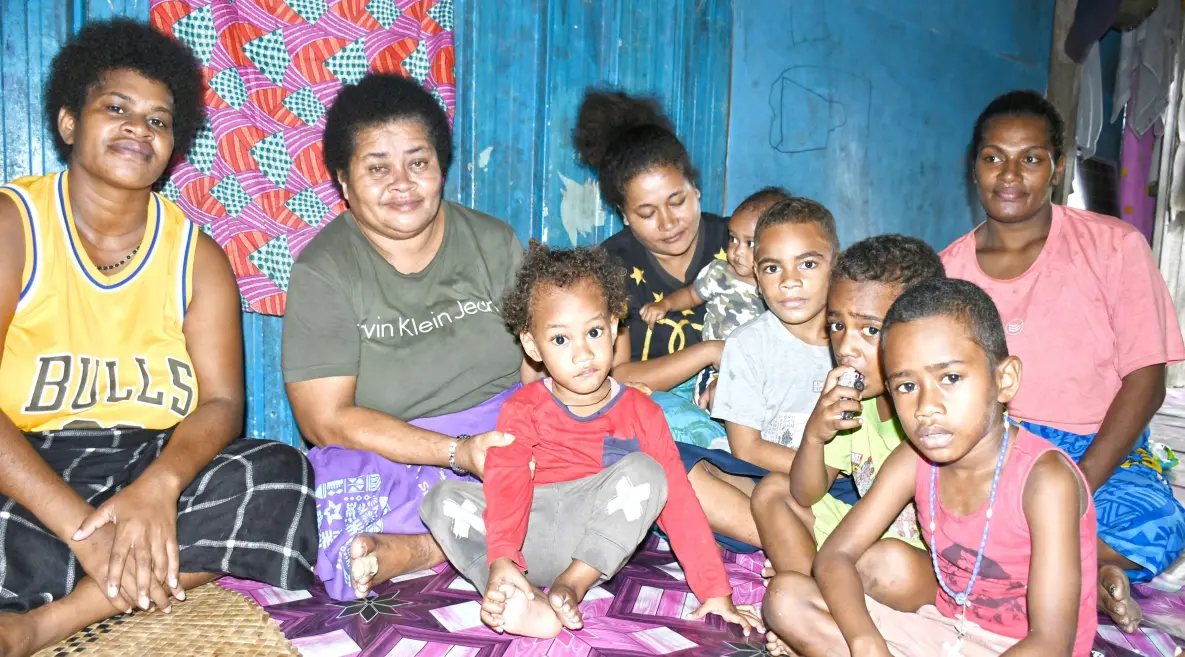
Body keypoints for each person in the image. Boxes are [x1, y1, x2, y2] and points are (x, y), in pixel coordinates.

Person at [0, 20, 317, 656]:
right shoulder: (15, 225)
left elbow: (223, 404)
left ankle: (43, 622)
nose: (138, 130)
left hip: (147, 461)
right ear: (68, 122)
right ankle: (125, 568)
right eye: (116, 108)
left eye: (158, 121)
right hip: (27, 467)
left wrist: (159, 488)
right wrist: (84, 531)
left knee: (279, 477)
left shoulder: (195, 256)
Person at [419, 243, 763, 640]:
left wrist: (716, 593)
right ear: (533, 346)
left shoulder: (641, 411)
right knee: (442, 497)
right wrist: (501, 557)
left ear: (615, 328)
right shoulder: (522, 407)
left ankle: (573, 585)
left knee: (650, 474)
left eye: (594, 332)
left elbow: (680, 504)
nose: (583, 353)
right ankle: (510, 589)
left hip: (593, 544)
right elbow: (508, 485)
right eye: (561, 340)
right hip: (525, 531)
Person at [282, 73, 537, 601]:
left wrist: (527, 438)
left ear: (440, 167)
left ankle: (418, 550)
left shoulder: (493, 243)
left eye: (418, 162)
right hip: (395, 449)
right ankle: (473, 536)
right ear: (343, 182)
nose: (402, 183)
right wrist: (456, 452)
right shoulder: (324, 269)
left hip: (501, 434)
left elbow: (540, 368)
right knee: (329, 488)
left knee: (590, 445)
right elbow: (324, 419)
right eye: (378, 169)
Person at [941, 89, 1185, 631]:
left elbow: (1146, 380)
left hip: (1100, 451)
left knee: (1160, 524)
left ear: (1057, 168)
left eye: (1030, 158)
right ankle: (1084, 573)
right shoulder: (947, 273)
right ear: (974, 167)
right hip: (994, 453)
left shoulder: (1114, 247)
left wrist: (1078, 483)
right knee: (953, 518)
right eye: (992, 157)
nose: (1009, 173)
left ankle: (1042, 567)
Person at [575, 91, 857, 554]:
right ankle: (811, 541)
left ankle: (813, 532)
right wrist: (710, 352)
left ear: (697, 190)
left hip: (772, 423)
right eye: (646, 213)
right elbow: (618, 376)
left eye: (677, 201)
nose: (668, 222)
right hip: (696, 427)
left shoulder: (746, 240)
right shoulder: (612, 267)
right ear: (624, 215)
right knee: (653, 462)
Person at [765, 278, 1098, 657]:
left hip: (1025, 649)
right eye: (906, 386)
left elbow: (1052, 642)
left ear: (1004, 380)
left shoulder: (1044, 480)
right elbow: (835, 556)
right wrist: (865, 642)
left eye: (950, 378)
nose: (926, 407)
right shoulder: (914, 460)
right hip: (941, 632)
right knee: (785, 597)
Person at [752, 235, 941, 587]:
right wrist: (814, 435)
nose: (846, 348)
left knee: (888, 562)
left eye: (870, 330)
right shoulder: (857, 402)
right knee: (772, 492)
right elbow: (806, 493)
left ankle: (818, 608)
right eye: (837, 326)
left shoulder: (937, 412)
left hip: (921, 567)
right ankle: (813, 600)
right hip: (857, 545)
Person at [639, 187, 783, 408]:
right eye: (733, 238)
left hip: (764, 372)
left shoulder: (780, 289)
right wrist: (666, 304)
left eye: (750, 243)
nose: (736, 251)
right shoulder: (720, 273)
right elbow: (691, 294)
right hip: (717, 369)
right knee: (715, 404)